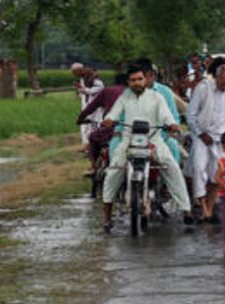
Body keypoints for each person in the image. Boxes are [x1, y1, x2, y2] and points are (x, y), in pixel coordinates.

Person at [101, 65, 191, 232]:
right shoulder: (124, 98)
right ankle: (107, 216)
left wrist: (171, 124)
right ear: (128, 82)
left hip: (153, 139)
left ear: (145, 80)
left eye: (140, 79)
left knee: (171, 166)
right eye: (133, 80)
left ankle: (186, 209)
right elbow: (114, 113)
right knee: (113, 170)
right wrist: (109, 119)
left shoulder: (157, 97)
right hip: (128, 140)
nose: (137, 83)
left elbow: (166, 115)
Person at [187, 58, 225, 223]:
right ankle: (204, 210)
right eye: (224, 82)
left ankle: (209, 205)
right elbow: (191, 115)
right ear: (217, 77)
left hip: (221, 138)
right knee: (199, 170)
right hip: (203, 136)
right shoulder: (203, 88)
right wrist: (200, 133)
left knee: (217, 174)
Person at [77, 72, 126, 175]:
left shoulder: (107, 91)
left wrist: (80, 119)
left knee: (93, 138)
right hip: (132, 129)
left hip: (113, 128)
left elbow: (91, 107)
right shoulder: (134, 93)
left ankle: (94, 166)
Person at [136, 57, 183, 164]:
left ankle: (172, 179)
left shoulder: (165, 92)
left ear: (151, 75)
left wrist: (173, 127)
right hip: (134, 136)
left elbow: (174, 115)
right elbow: (121, 116)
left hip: (161, 136)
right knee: (115, 147)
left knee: (173, 146)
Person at [75, 64, 104, 150]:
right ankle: (87, 144)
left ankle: (93, 145)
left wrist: (83, 90)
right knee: (87, 125)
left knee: (95, 125)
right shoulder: (86, 81)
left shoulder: (98, 82)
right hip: (90, 106)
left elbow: (92, 91)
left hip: (97, 107)